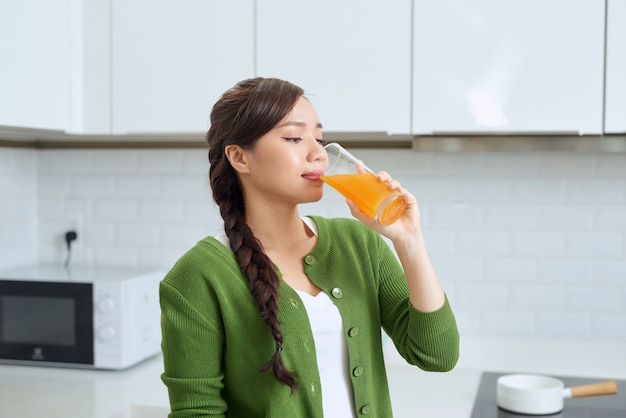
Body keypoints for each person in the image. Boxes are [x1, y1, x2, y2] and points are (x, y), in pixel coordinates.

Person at [159, 77, 460, 418]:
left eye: (319, 137)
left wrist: (408, 239)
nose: (318, 153)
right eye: (294, 137)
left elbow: (437, 355)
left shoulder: (358, 243)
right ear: (239, 157)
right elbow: (197, 411)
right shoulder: (198, 276)